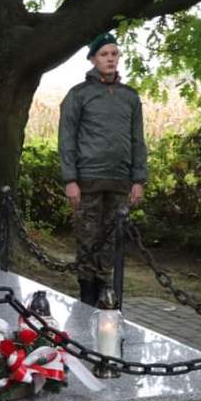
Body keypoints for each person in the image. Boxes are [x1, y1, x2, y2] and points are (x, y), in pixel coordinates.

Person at [58, 32, 147, 305]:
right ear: (93, 59)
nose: (110, 59)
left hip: (119, 181)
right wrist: (70, 179)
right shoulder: (79, 95)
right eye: (104, 54)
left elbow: (137, 140)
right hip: (88, 181)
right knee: (87, 238)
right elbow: (66, 139)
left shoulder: (130, 97)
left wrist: (138, 179)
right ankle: (86, 297)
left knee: (111, 241)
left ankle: (105, 295)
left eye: (114, 54)